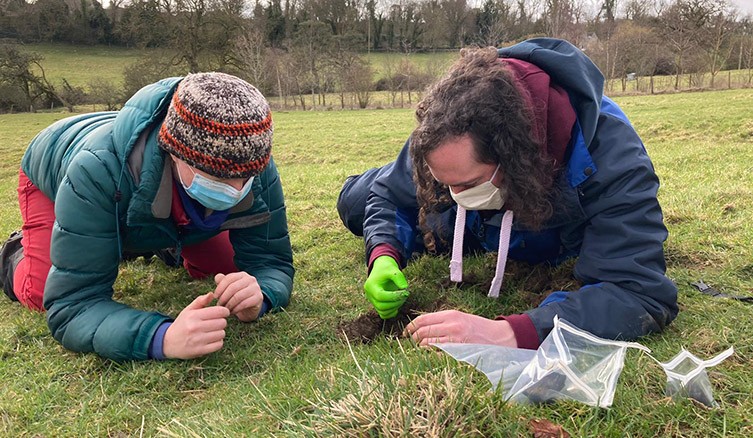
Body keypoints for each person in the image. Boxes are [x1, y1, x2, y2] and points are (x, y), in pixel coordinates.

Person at [337, 38, 678, 349]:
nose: (454, 194)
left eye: (467, 185)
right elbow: (387, 197)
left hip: (543, 226)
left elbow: (639, 293)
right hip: (470, 221)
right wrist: (383, 254)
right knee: (355, 203)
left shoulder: (611, 152)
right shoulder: (448, 128)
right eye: (444, 182)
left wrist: (510, 332)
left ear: (513, 157)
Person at [0, 72, 294, 361]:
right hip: (57, 164)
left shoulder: (250, 160)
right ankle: (12, 253)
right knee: (40, 293)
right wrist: (160, 337)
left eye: (245, 178)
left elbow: (270, 263)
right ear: (175, 153)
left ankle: (157, 240)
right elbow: (72, 306)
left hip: (146, 193)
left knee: (226, 269)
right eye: (216, 179)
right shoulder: (94, 170)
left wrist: (261, 295)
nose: (235, 190)